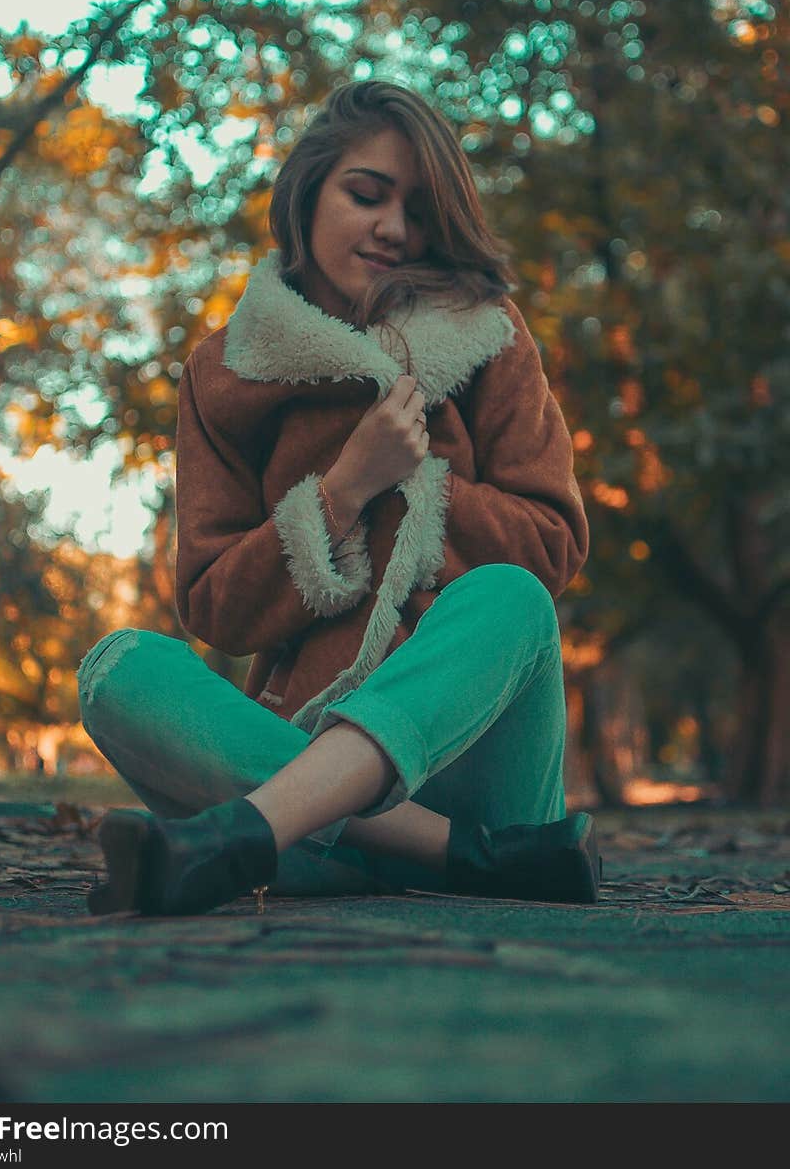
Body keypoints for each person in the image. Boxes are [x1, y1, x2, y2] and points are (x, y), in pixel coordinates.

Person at [77, 79, 601, 917]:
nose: (395, 228)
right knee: (115, 669)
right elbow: (215, 605)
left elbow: (552, 544)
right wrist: (343, 488)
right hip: (319, 753)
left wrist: (421, 486)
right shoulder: (226, 373)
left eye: (421, 210)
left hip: (480, 773)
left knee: (512, 596)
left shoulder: (489, 332)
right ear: (308, 190)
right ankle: (450, 859)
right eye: (367, 194)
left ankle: (250, 835)